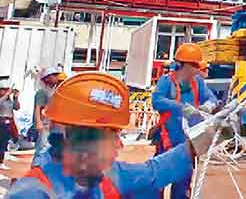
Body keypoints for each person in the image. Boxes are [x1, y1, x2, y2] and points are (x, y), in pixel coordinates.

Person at [7, 71, 225, 198]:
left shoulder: (107, 176)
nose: (119, 145)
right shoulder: (31, 193)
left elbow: (155, 171)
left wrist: (209, 135)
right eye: (112, 135)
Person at [151, 43, 217, 199]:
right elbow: (157, 100)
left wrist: (209, 105)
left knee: (183, 183)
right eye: (194, 65)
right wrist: (181, 107)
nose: (197, 70)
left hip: (188, 143)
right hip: (167, 141)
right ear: (182, 65)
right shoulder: (166, 81)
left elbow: (210, 97)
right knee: (158, 181)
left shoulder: (198, 82)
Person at [31, 67, 62, 167]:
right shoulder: (42, 92)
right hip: (44, 125)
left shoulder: (54, 91)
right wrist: (39, 123)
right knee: (42, 149)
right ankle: (35, 169)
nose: (57, 77)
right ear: (47, 78)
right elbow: (38, 108)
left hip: (52, 124)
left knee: (49, 148)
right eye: (55, 75)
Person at [0, 78, 21, 170]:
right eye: (4, 89)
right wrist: (6, 95)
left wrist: (16, 97)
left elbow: (17, 107)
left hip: (8, 122)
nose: (6, 91)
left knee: (4, 142)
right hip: (1, 120)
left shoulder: (9, 100)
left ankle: (1, 161)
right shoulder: (2, 99)